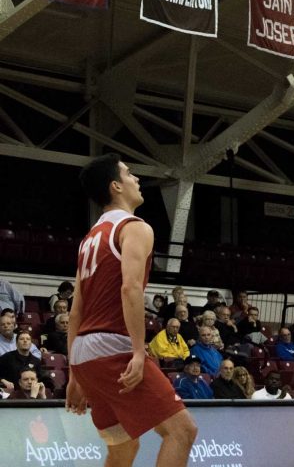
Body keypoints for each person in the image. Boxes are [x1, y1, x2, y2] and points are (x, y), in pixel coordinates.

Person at [67, 154, 197, 466]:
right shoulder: (134, 227)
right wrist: (139, 352)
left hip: (85, 354)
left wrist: (75, 374)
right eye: (129, 174)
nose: (136, 179)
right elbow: (130, 288)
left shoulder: (88, 240)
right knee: (182, 431)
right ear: (115, 186)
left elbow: (75, 312)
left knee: (123, 445)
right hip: (113, 347)